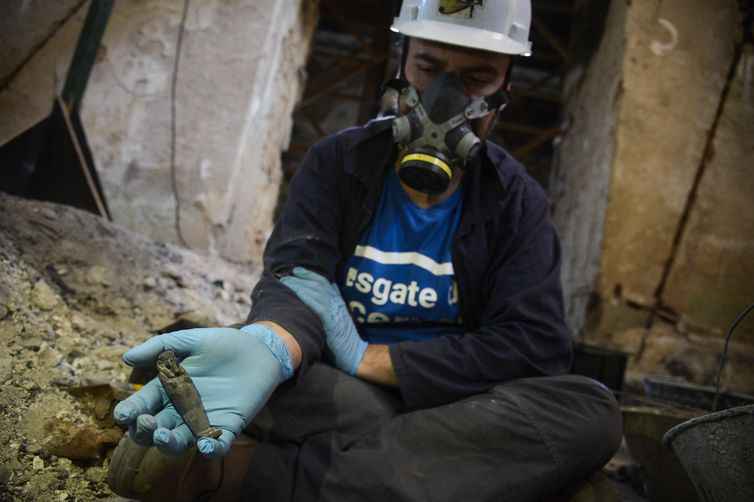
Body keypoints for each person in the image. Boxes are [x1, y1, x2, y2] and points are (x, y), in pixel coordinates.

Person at [112, 1, 623, 500]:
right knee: (219, 359)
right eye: (429, 66)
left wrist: (374, 359)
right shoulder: (338, 162)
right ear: (400, 62)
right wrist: (270, 344)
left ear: (505, 88)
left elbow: (534, 346)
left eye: (475, 79)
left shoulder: (515, 200)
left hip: (450, 400)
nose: (445, 97)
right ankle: (440, 473)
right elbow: (297, 282)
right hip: (343, 394)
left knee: (590, 412)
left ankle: (252, 476)